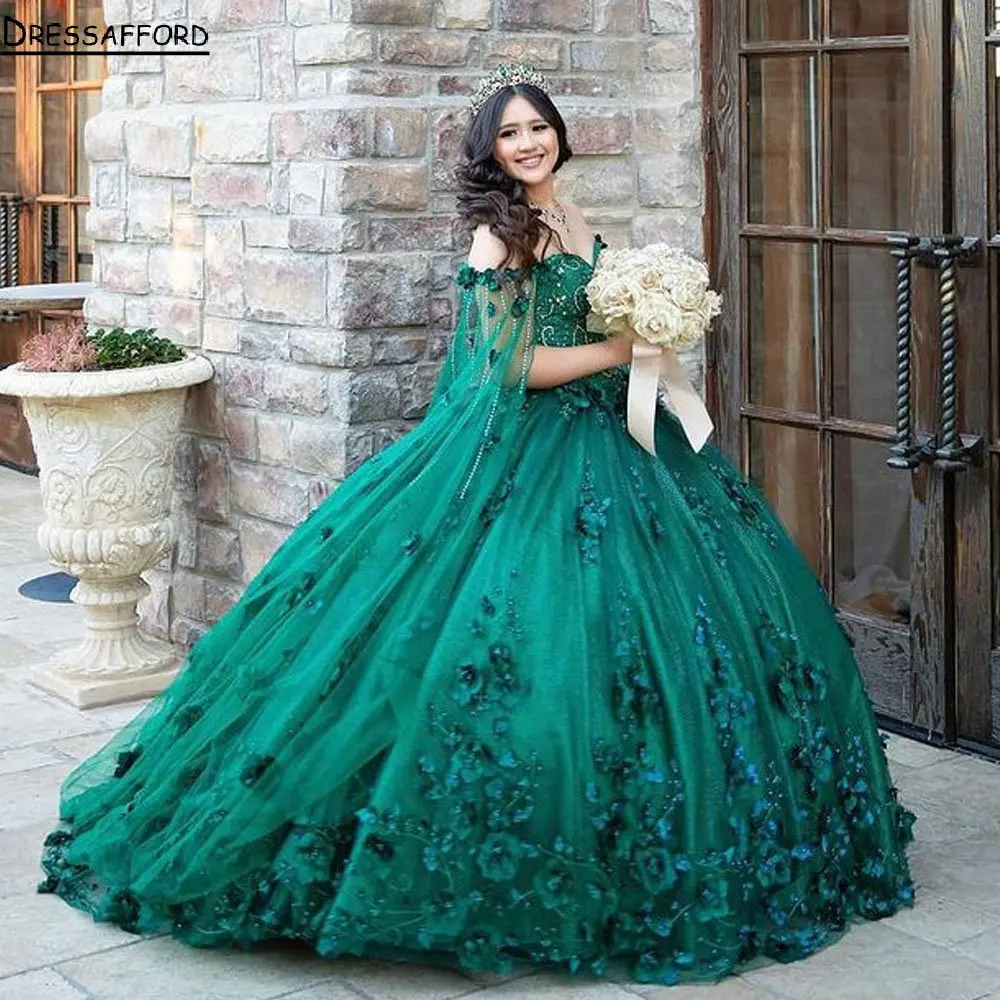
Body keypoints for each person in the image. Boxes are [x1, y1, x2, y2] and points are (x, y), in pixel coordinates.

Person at [39, 64, 914, 987]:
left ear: (561, 135)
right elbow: (509, 366)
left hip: (626, 440)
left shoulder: (574, 213)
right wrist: (628, 345)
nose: (529, 142)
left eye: (539, 127)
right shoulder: (499, 237)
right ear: (489, 152)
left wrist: (649, 327)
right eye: (511, 134)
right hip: (536, 449)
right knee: (517, 626)